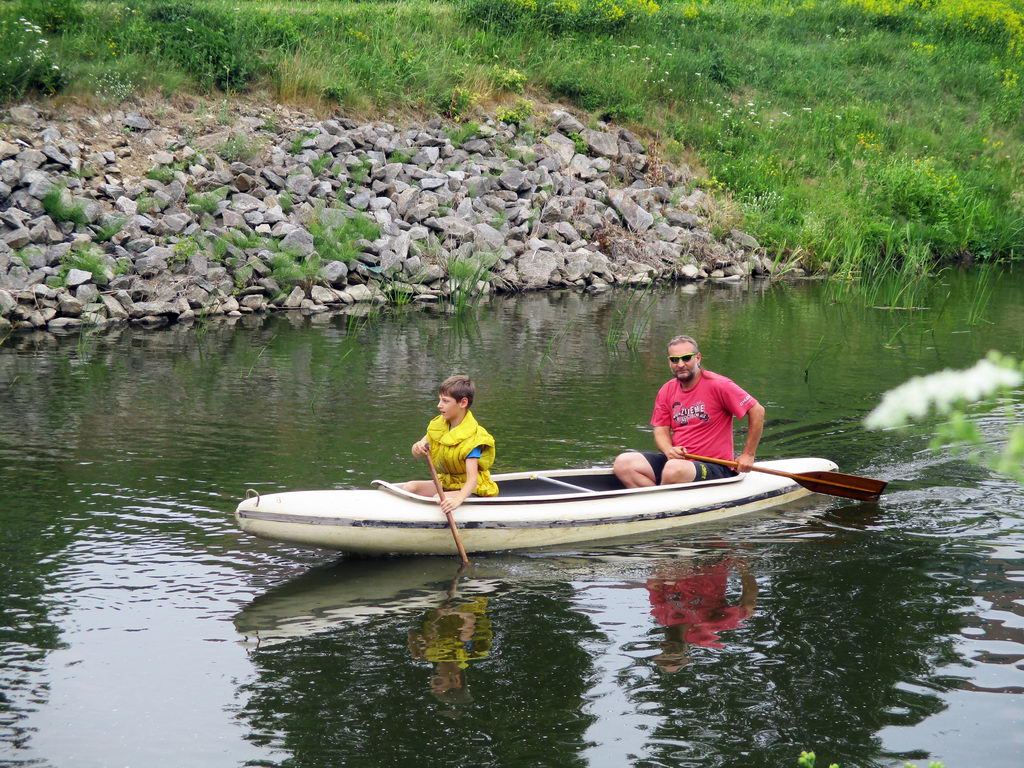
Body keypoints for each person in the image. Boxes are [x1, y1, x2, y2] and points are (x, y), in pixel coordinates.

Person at [613, 335, 764, 487]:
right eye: (674, 360)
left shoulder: (719, 385)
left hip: (716, 466)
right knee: (623, 463)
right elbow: (660, 430)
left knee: (673, 469)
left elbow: (757, 411)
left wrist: (748, 454)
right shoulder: (666, 390)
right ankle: (661, 497)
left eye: (686, 358)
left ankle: (660, 495)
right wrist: (669, 450)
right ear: (669, 361)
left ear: (698, 358)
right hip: (678, 463)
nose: (680, 364)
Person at [402, 375, 498, 510]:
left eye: (445, 401)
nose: (439, 405)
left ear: (463, 403)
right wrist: (417, 448)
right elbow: (416, 452)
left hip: (472, 488)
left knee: (438, 498)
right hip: (448, 482)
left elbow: (472, 480)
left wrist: (457, 501)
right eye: (440, 399)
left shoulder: (473, 438)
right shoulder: (439, 426)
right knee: (410, 487)